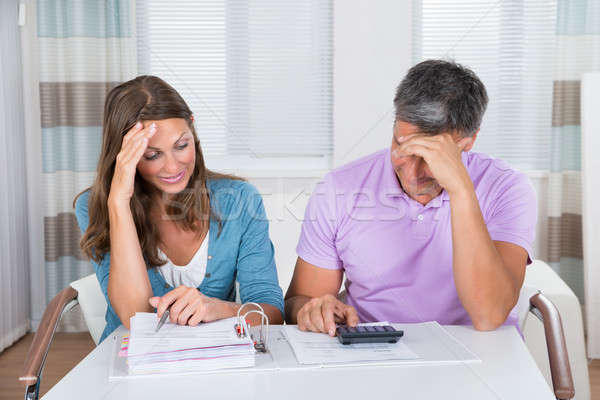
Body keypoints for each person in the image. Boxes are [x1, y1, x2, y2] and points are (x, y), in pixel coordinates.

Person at [284, 60, 537, 335]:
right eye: (402, 147)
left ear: (469, 141)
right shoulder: (338, 188)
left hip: (479, 356)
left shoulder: (507, 188)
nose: (413, 173)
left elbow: (489, 315)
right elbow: (301, 300)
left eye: (430, 156)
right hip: (374, 352)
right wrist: (314, 310)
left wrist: (461, 191)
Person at [74, 76, 283, 343]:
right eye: (152, 155)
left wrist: (222, 309)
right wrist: (119, 202)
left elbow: (272, 314)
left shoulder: (240, 200)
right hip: (130, 369)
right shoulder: (97, 206)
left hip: (215, 363)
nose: (173, 168)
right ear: (124, 155)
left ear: (193, 130)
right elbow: (134, 316)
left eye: (181, 146)